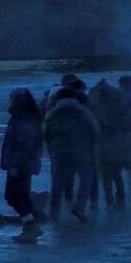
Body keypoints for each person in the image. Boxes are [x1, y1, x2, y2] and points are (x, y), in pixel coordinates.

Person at [42, 79, 99, 221]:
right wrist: (89, 144)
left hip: (58, 151)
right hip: (81, 149)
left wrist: (51, 147)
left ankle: (53, 212)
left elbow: (45, 132)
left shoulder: (52, 113)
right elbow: (96, 129)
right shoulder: (83, 111)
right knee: (87, 176)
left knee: (58, 180)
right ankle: (80, 207)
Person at [1, 89, 45, 242]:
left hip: (20, 165)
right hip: (25, 164)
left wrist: (15, 166)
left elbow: (23, 145)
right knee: (22, 196)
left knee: (13, 196)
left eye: (11, 98)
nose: (9, 100)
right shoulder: (26, 117)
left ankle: (31, 225)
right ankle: (29, 228)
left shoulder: (23, 119)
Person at [90, 79, 131, 209]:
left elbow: (95, 129)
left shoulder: (97, 111)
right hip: (119, 144)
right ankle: (121, 198)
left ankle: (109, 200)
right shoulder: (120, 109)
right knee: (117, 174)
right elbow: (126, 127)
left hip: (103, 146)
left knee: (107, 175)